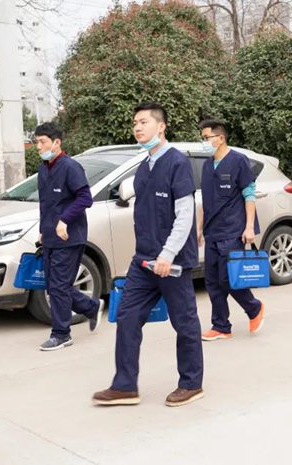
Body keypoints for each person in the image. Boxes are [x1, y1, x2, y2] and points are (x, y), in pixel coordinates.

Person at [93, 102, 204, 408]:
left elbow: (185, 214)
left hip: (172, 262)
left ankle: (191, 383)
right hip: (143, 260)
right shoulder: (144, 167)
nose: (137, 127)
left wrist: (168, 254)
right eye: (135, 123)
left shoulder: (177, 162)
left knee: (184, 322)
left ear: (161, 126)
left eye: (143, 122)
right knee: (127, 317)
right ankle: (125, 385)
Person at [34, 122, 103, 351]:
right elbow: (46, 204)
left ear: (56, 143)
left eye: (42, 142)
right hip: (50, 237)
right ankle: (91, 307)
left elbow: (85, 198)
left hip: (69, 237)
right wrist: (43, 230)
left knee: (59, 286)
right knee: (54, 286)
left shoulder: (71, 167)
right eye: (36, 142)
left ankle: (61, 334)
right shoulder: (43, 168)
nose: (38, 146)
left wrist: (64, 220)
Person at [196, 119, 265, 342]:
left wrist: (249, 227)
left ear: (220, 138)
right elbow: (205, 200)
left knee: (228, 278)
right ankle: (221, 326)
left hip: (233, 230)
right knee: (212, 282)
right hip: (212, 231)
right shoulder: (207, 166)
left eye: (206, 137)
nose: (204, 142)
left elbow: (249, 194)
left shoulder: (238, 161)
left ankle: (254, 308)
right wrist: (199, 228)